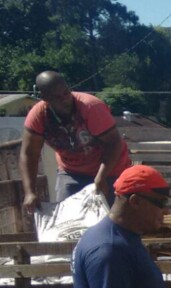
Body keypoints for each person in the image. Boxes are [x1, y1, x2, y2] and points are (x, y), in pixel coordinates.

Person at [20, 71, 132, 212]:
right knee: (67, 217)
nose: (65, 99)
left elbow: (114, 144)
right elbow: (29, 154)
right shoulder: (38, 117)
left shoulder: (90, 107)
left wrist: (101, 178)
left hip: (110, 170)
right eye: (58, 97)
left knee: (111, 218)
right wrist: (30, 192)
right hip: (71, 172)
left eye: (66, 92)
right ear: (45, 98)